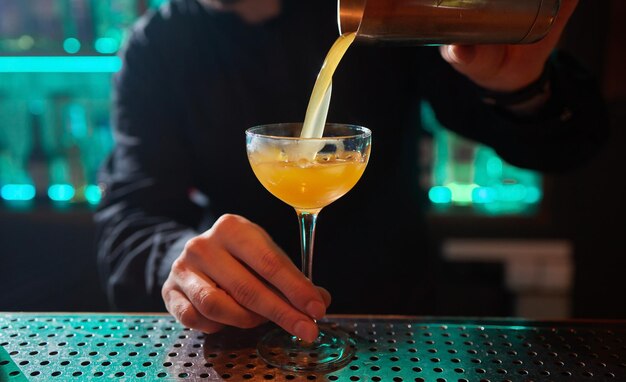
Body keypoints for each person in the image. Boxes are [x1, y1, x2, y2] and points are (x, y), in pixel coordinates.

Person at [95, 0, 608, 343]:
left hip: (397, 327)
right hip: (238, 341)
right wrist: (179, 264)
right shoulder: (155, 47)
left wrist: (522, 87)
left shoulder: (375, 13)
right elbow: (131, 219)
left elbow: (564, 147)